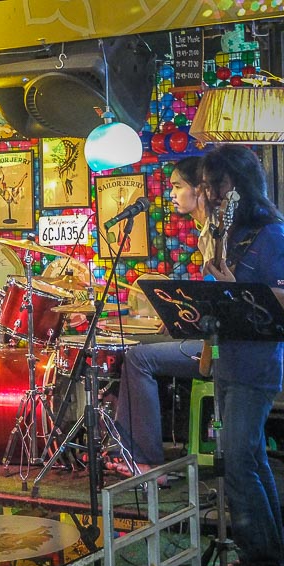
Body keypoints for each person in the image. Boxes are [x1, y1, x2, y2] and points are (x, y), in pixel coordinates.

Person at [197, 144, 284, 566]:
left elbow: (280, 300)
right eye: (208, 185)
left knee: (235, 459)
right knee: (250, 457)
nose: (211, 193)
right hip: (229, 359)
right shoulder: (230, 231)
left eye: (220, 184)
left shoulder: (272, 233)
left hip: (257, 364)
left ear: (242, 184)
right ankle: (268, 554)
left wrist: (240, 292)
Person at [112, 156, 215, 476]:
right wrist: (178, 318)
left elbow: (218, 300)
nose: (170, 193)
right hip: (207, 337)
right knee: (133, 350)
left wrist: (184, 320)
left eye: (176, 186)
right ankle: (127, 450)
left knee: (139, 358)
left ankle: (147, 461)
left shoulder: (215, 233)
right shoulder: (206, 231)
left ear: (200, 190)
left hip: (218, 347)